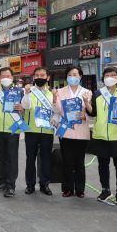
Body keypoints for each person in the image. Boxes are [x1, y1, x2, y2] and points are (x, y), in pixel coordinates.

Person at [87, 67, 117, 205]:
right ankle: (105, 190)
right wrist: (86, 103)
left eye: (113, 75)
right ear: (103, 78)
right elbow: (93, 113)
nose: (109, 77)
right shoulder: (97, 93)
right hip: (101, 135)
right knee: (102, 165)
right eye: (107, 75)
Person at [52, 66, 93, 198]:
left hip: (82, 130)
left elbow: (92, 112)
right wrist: (54, 98)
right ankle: (68, 188)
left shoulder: (87, 92)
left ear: (80, 76)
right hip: (66, 130)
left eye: (75, 74)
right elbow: (58, 110)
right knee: (67, 161)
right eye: (70, 74)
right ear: (67, 77)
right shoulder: (60, 91)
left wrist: (85, 115)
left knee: (80, 162)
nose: (73, 77)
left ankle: (80, 189)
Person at [21, 67, 55, 196]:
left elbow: (56, 112)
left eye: (42, 75)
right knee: (30, 158)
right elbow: (25, 106)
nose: (40, 77)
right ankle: (30, 184)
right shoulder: (29, 91)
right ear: (34, 77)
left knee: (46, 159)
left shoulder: (52, 94)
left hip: (47, 131)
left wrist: (55, 119)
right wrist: (26, 93)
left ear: (48, 77)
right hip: (31, 131)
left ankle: (44, 184)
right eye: (37, 75)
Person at [0, 67, 24, 197]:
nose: (5, 78)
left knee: (12, 157)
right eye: (3, 76)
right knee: (1, 158)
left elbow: (26, 108)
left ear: (12, 78)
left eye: (8, 76)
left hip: (13, 129)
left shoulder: (19, 92)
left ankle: (11, 185)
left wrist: (22, 108)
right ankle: (2, 181)